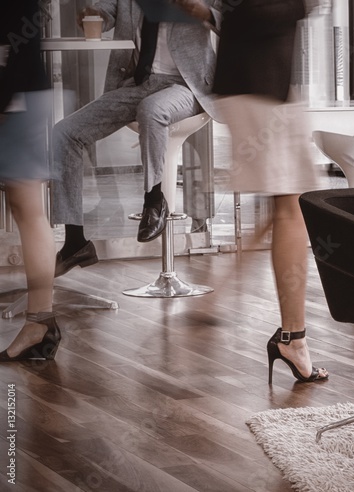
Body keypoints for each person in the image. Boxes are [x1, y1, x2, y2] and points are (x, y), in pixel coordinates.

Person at [50, 0, 222, 277]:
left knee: (152, 110)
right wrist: (91, 17)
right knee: (64, 133)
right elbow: (102, 15)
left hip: (186, 85)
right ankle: (75, 241)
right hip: (139, 83)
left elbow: (233, 22)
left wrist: (204, 12)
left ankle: (154, 201)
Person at [212, 0, 328, 383]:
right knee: (292, 206)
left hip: (265, 82)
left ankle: (288, 335)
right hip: (259, 85)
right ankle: (292, 338)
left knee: (291, 204)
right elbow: (258, 11)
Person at [0, 0, 60, 361]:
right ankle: (41, 321)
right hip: (16, 97)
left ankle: (41, 321)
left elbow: (23, 40)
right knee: (25, 207)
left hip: (16, 101)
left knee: (27, 207)